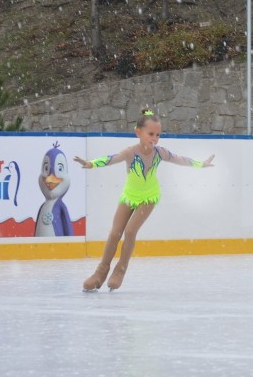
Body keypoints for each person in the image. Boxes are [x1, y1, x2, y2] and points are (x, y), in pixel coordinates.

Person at [73, 109, 214, 291]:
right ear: (138, 132)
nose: (154, 138)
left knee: (130, 232)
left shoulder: (159, 153)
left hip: (149, 197)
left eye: (157, 135)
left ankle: (120, 270)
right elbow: (111, 159)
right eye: (151, 134)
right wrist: (91, 164)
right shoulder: (130, 152)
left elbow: (179, 159)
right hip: (129, 196)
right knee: (115, 233)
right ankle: (100, 272)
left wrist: (201, 164)